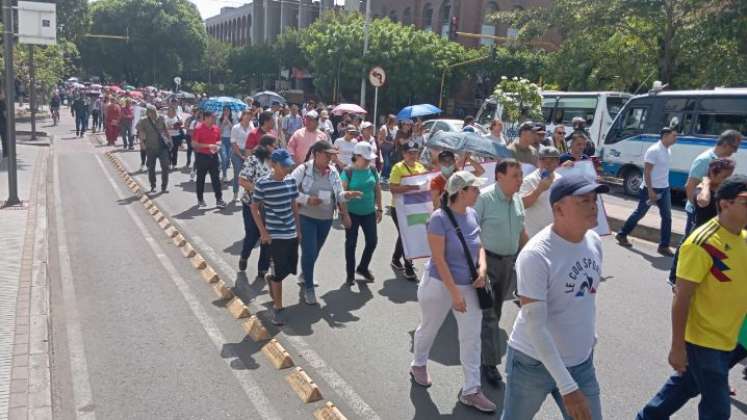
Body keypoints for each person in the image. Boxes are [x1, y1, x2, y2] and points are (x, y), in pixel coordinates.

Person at [637, 175, 747, 420]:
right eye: (745, 201)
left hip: (730, 337)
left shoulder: (743, 238)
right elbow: (682, 297)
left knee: (685, 386)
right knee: (717, 411)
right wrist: (677, 347)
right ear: (725, 203)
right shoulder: (702, 243)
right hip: (703, 340)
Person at [501, 175, 609, 420]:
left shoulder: (593, 241)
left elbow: (585, 298)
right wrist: (568, 387)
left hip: (581, 363)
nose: (593, 205)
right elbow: (535, 326)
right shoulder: (536, 255)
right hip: (533, 364)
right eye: (583, 200)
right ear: (558, 209)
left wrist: (588, 337)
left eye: (594, 199)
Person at [410, 171, 496, 413]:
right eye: (474, 189)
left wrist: (483, 269)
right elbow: (438, 259)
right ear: (461, 192)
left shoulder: (473, 214)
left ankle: (471, 390)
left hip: (469, 284)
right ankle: (418, 363)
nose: (478, 192)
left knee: (471, 337)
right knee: (429, 327)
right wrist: (454, 294)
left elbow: (480, 248)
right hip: (439, 283)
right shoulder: (439, 219)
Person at [474, 159, 528, 386]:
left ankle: (479, 348)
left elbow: (521, 232)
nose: (520, 180)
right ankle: (489, 363)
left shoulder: (517, 200)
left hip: (509, 264)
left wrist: (534, 256)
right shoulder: (484, 199)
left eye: (521, 175)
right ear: (499, 176)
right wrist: (480, 267)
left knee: (495, 310)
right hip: (487, 263)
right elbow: (471, 234)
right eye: (515, 175)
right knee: (489, 315)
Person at [291, 141, 360, 304]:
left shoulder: (333, 171)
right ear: (316, 154)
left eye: (332, 155)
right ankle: (308, 287)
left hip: (325, 219)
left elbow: (339, 194)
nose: (330, 158)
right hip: (306, 216)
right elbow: (289, 189)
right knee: (309, 251)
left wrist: (348, 195)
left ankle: (304, 274)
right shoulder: (303, 169)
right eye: (327, 155)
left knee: (314, 252)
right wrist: (307, 199)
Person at [250, 148, 301, 326]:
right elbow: (253, 207)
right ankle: (278, 308)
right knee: (279, 272)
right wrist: (263, 232)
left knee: (290, 268)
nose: (287, 169)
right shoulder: (263, 184)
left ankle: (272, 280)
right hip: (274, 234)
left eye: (288, 165)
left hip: (291, 232)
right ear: (274, 164)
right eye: (284, 166)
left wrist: (298, 229)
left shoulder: (291, 181)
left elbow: (294, 205)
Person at [616, 127, 678, 255]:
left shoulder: (668, 150)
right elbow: (647, 172)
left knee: (667, 217)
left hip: (664, 189)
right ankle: (622, 234)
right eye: (674, 136)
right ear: (665, 136)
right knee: (640, 213)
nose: (676, 139)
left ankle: (663, 246)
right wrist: (650, 191)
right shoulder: (654, 150)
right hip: (650, 189)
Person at [341, 142, 382, 284]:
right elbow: (342, 194)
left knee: (372, 241)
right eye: (366, 158)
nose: (369, 160)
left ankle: (363, 268)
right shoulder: (348, 172)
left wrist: (380, 208)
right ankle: (350, 275)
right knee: (351, 243)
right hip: (352, 213)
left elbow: (377, 188)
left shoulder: (372, 169)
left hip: (369, 212)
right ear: (357, 156)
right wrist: (345, 214)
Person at [238, 134, 277, 275]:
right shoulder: (253, 160)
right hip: (251, 204)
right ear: (267, 146)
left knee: (267, 237)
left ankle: (263, 268)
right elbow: (242, 181)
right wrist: (260, 190)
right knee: (252, 234)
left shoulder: (275, 162)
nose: (276, 148)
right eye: (274, 146)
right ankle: (244, 256)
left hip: (269, 207)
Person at [389, 141, 428, 281]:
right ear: (404, 154)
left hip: (415, 207)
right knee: (407, 234)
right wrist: (411, 188)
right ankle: (409, 267)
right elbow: (393, 189)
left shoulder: (420, 167)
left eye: (415, 152)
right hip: (399, 208)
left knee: (406, 234)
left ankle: (395, 258)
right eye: (409, 153)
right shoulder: (397, 168)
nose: (412, 155)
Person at [520, 147, 562, 237]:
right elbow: (521, 204)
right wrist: (539, 190)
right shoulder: (529, 180)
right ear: (538, 161)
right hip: (534, 233)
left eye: (551, 159)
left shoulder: (560, 180)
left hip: (554, 232)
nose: (547, 163)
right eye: (543, 159)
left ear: (557, 162)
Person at [191, 110, 227, 209]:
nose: (214, 119)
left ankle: (219, 199)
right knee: (201, 179)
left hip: (214, 156)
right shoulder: (198, 128)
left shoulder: (216, 128)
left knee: (216, 179)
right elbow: (194, 144)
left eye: (214, 117)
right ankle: (200, 199)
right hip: (202, 156)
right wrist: (208, 146)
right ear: (205, 118)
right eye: (212, 117)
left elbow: (219, 140)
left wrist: (218, 146)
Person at [135, 105, 172, 194]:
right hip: (150, 147)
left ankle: (164, 187)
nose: (153, 114)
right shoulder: (143, 120)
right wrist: (142, 143)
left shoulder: (162, 118)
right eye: (151, 112)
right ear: (148, 113)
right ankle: (153, 186)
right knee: (151, 168)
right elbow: (140, 132)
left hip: (162, 147)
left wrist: (169, 141)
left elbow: (166, 130)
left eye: (154, 111)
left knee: (165, 167)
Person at [692, 158, 736, 227]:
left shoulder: (725, 189)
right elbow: (703, 202)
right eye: (724, 177)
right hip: (705, 233)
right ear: (712, 173)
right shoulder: (702, 189)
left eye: (730, 176)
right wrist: (706, 184)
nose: (728, 180)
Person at [229, 110, 255, 202]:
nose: (248, 117)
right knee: (237, 174)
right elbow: (233, 143)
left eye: (250, 115)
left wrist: (249, 154)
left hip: (248, 152)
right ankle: (235, 194)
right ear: (242, 116)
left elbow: (253, 141)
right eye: (246, 115)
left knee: (248, 175)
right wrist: (240, 155)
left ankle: (246, 194)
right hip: (237, 152)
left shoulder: (252, 127)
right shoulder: (236, 127)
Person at [378, 114, 398, 180]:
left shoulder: (395, 128)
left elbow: (395, 137)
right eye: (394, 121)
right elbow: (383, 138)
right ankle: (382, 176)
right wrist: (390, 142)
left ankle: (386, 177)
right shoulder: (384, 128)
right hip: (384, 149)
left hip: (391, 149)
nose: (396, 122)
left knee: (390, 164)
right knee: (386, 163)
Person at [218, 106, 234, 182]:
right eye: (224, 110)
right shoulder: (219, 120)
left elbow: (234, 131)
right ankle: (224, 175)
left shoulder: (233, 120)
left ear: (230, 112)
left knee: (227, 159)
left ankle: (221, 166)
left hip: (230, 141)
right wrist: (223, 124)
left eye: (227, 110)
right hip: (222, 140)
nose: (226, 112)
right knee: (224, 158)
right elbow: (219, 132)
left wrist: (229, 122)